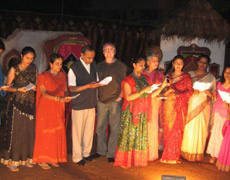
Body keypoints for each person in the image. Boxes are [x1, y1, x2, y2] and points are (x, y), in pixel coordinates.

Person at [114, 57, 168, 168]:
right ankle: (125, 160)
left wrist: (162, 87)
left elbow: (150, 96)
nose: (143, 67)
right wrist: (143, 90)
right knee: (129, 136)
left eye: (144, 65)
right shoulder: (128, 80)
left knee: (139, 137)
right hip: (131, 112)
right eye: (140, 65)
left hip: (142, 111)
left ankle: (136, 159)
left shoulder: (145, 79)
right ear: (134, 65)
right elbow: (128, 97)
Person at [0, 46, 37, 172]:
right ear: (21, 56)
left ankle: (25, 159)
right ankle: (11, 161)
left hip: (30, 104)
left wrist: (34, 88)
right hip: (16, 104)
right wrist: (17, 89)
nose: (29, 61)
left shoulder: (34, 68)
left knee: (28, 132)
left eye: (32, 58)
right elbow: (6, 87)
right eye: (27, 58)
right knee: (16, 133)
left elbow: (36, 84)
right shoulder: (14, 69)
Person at [33, 53, 71, 169]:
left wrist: (66, 97)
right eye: (57, 64)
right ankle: (42, 159)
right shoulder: (43, 77)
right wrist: (58, 98)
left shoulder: (62, 76)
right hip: (46, 107)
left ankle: (54, 157)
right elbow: (43, 93)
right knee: (46, 132)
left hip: (58, 107)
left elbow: (65, 90)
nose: (59, 66)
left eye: (61, 64)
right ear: (50, 63)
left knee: (56, 131)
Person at [93, 43, 127, 163]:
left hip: (115, 101)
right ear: (102, 52)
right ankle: (101, 150)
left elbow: (125, 83)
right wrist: (97, 98)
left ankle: (111, 153)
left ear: (115, 51)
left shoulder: (121, 66)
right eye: (106, 50)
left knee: (115, 128)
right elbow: (95, 83)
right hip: (101, 101)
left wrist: (120, 96)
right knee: (100, 127)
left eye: (111, 49)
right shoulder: (99, 66)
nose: (108, 52)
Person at [68, 45, 100, 166]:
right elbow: (71, 88)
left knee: (89, 131)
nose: (91, 60)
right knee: (78, 132)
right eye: (88, 58)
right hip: (79, 104)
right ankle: (77, 157)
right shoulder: (74, 68)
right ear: (81, 55)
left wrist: (99, 84)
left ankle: (86, 153)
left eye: (92, 58)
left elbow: (95, 81)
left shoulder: (93, 65)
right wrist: (87, 86)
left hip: (91, 103)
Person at [181, 54, 216, 161]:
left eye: (205, 63)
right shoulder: (189, 74)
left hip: (204, 105)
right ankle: (186, 152)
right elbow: (183, 88)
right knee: (189, 127)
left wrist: (210, 94)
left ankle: (198, 153)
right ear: (197, 62)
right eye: (201, 62)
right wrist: (192, 91)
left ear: (207, 65)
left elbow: (214, 93)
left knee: (201, 128)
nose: (202, 64)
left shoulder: (211, 77)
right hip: (192, 103)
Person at [160, 55, 193, 164]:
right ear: (173, 64)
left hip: (180, 106)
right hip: (169, 105)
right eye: (176, 63)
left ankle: (174, 156)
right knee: (168, 129)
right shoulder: (168, 76)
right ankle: (166, 155)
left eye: (181, 63)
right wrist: (167, 93)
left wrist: (178, 95)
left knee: (177, 130)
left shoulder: (187, 77)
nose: (178, 65)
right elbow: (162, 92)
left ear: (183, 65)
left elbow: (190, 92)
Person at [142, 52, 164, 161]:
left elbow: (163, 89)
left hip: (155, 103)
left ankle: (151, 153)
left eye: (157, 61)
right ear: (147, 62)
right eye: (153, 61)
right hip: (143, 102)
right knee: (143, 126)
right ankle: (141, 153)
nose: (156, 63)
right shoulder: (141, 74)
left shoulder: (160, 74)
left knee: (153, 126)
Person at [207, 67, 230, 164]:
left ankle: (220, 156)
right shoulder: (219, 84)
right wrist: (210, 94)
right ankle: (213, 155)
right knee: (215, 133)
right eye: (226, 72)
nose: (227, 74)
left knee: (222, 135)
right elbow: (215, 97)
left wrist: (228, 105)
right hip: (217, 111)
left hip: (227, 114)